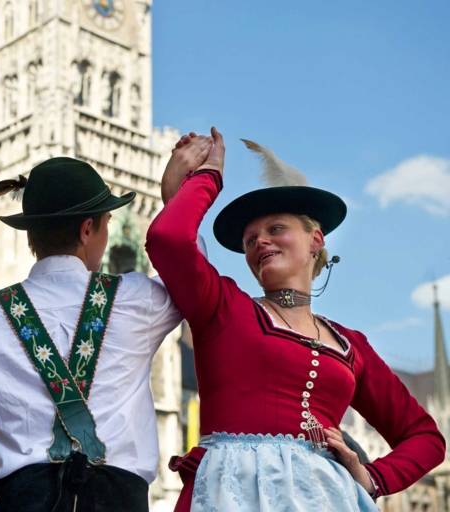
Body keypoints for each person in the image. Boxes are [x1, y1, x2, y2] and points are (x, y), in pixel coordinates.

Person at [146, 128, 445, 511]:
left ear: (316, 240)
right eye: (250, 240)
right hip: (230, 497)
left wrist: (372, 477)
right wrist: (208, 178)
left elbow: (425, 438)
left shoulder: (350, 344)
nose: (260, 242)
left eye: (275, 230)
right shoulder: (223, 308)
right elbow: (169, 239)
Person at [0, 157, 184, 512]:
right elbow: (192, 275)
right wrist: (177, 198)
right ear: (87, 229)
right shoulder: (138, 300)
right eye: (107, 221)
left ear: (31, 235)